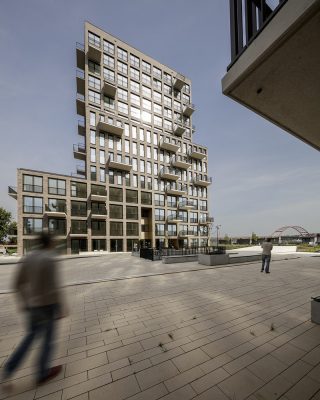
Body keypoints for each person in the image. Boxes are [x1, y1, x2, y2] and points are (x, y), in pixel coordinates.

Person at [2, 232, 66, 389]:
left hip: (31, 306)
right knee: (48, 341)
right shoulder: (49, 259)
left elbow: (17, 284)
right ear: (50, 243)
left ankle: (9, 369)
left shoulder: (28, 257)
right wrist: (60, 307)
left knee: (29, 338)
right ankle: (42, 373)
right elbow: (53, 287)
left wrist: (24, 302)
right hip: (47, 307)